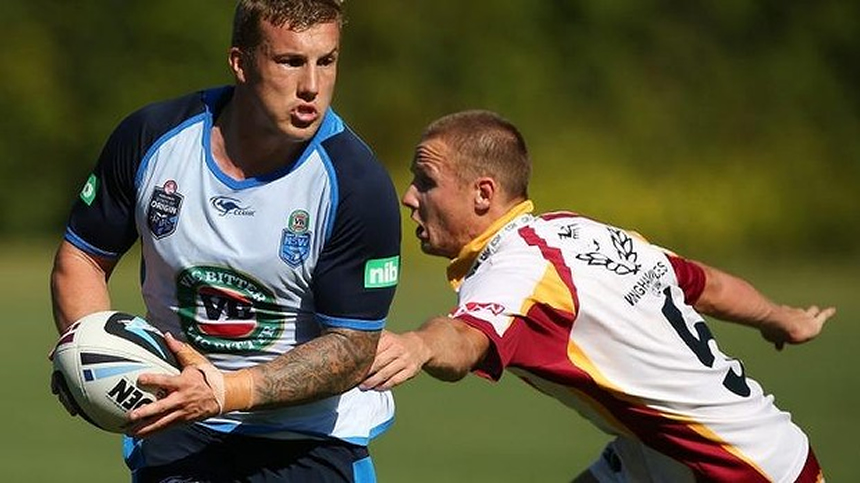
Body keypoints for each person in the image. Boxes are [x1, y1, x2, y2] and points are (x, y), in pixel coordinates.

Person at [361, 109, 835, 482]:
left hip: (735, 469)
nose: (409, 197)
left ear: (483, 194)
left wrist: (419, 345)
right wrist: (780, 318)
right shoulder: (579, 231)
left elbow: (465, 338)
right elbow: (705, 286)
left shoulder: (516, 269)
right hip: (670, 453)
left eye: (427, 181)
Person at [49, 1, 401, 481]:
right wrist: (87, 350)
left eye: (327, 61)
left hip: (310, 444)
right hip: (179, 436)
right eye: (290, 61)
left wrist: (222, 392)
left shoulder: (356, 184)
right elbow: (82, 259)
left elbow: (352, 348)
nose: (312, 88)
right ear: (240, 62)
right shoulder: (153, 137)